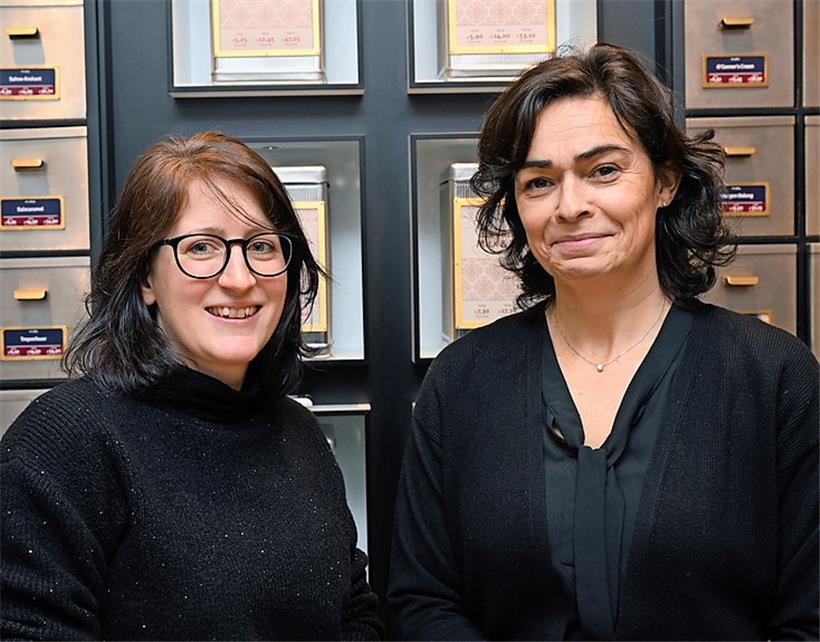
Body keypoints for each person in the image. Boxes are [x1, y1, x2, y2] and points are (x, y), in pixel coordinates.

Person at [388, 43, 818, 640]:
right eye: (539, 182)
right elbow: (422, 601)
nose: (570, 206)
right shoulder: (463, 379)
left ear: (665, 181)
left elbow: (809, 616)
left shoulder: (771, 375)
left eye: (603, 171)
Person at [1, 131, 383, 640]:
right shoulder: (64, 443)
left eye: (262, 246)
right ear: (145, 278)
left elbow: (354, 611)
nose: (240, 278)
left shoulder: (296, 429)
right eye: (201, 247)